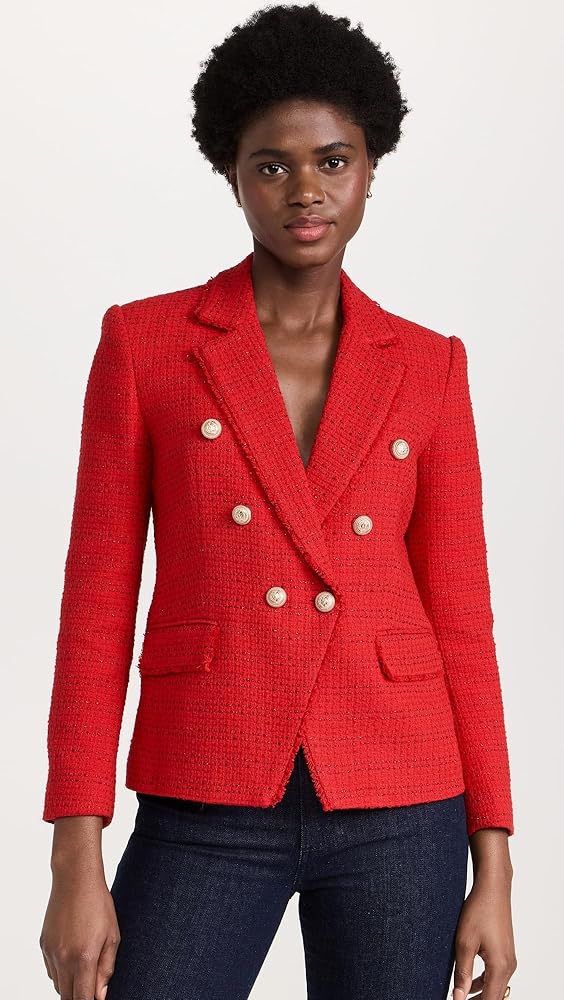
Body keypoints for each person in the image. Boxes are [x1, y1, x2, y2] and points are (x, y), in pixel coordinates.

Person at [39, 4, 517, 999]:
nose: (306, 191)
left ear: (371, 166)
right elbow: (96, 607)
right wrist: (73, 856)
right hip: (207, 785)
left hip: (402, 799)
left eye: (334, 161)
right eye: (272, 165)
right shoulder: (147, 346)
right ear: (232, 173)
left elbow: (462, 619)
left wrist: (496, 864)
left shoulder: (429, 366)